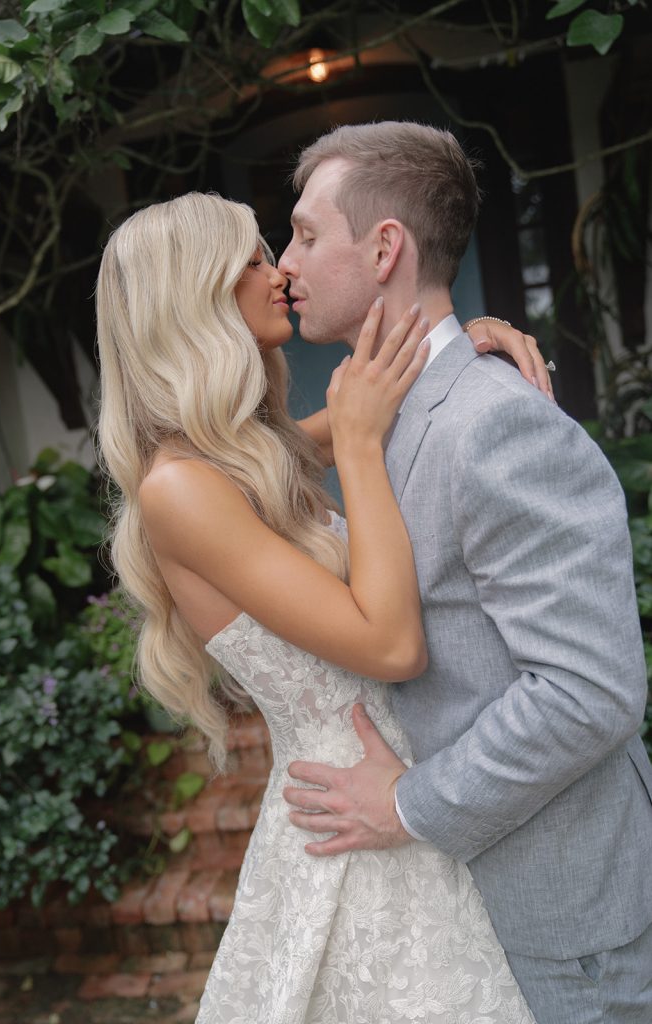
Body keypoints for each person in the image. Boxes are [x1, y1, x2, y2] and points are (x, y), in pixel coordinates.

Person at [95, 190, 546, 1023]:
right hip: (353, 817)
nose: (280, 274)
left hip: (409, 792)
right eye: (254, 260)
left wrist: (457, 342)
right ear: (195, 298)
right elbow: (390, 646)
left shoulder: (239, 459)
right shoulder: (179, 491)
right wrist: (363, 448)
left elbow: (359, 410)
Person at [278, 121, 652, 1024]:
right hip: (471, 905)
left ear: (384, 249)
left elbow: (589, 692)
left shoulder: (493, 423)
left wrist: (408, 805)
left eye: (304, 234)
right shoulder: (381, 410)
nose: (284, 264)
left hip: (568, 917)